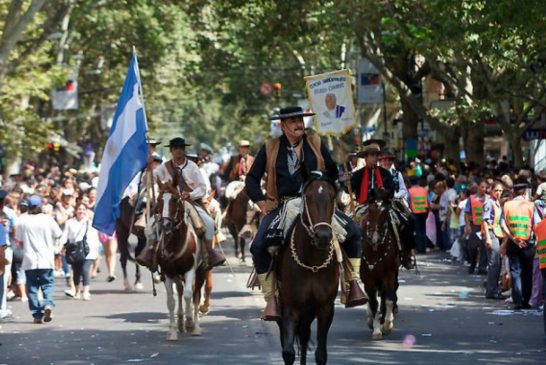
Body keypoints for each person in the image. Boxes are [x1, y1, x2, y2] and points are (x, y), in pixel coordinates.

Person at [246, 106, 367, 321]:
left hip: (317, 204)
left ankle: (353, 282)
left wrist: (338, 180)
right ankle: (271, 298)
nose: (298, 124)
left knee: (354, 232)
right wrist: (262, 202)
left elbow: (331, 172)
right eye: (293, 121)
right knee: (258, 245)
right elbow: (251, 179)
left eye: (300, 119)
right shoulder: (270, 147)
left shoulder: (317, 143)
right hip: (282, 205)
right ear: (283, 126)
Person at [139, 137, 225, 270]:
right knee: (150, 225)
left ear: (184, 150)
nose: (178, 151)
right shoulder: (164, 167)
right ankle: (151, 252)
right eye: (175, 148)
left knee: (208, 222)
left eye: (180, 148)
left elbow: (202, 188)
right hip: (169, 202)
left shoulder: (192, 167)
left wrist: (190, 194)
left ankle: (209, 253)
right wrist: (148, 168)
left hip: (188, 201)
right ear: (171, 150)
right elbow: (149, 181)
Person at [15, 195, 62, 324]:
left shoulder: (23, 221)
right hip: (46, 258)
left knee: (32, 287)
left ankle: (37, 315)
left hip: (29, 259)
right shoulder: (47, 219)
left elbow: (18, 241)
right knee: (47, 284)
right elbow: (58, 234)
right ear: (40, 206)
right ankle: (47, 303)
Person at [501, 180, 537, 310]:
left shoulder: (507, 205)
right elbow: (535, 225)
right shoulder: (531, 205)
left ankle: (517, 301)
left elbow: (502, 224)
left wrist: (512, 238)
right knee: (527, 272)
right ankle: (526, 300)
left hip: (513, 242)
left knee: (515, 272)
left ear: (514, 192)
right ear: (524, 193)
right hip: (528, 243)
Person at [378, 149, 414, 268]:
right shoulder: (376, 173)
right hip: (378, 202)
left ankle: (407, 253)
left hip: (395, 202)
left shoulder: (396, 174)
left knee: (410, 220)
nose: (387, 162)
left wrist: (396, 195)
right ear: (381, 161)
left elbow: (404, 189)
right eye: (385, 160)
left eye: (389, 160)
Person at [62, 203, 100, 300]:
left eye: (83, 209)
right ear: (75, 211)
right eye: (79, 209)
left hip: (88, 251)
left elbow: (95, 238)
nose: (81, 211)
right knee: (76, 271)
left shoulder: (90, 223)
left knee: (85, 269)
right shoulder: (70, 222)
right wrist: (61, 246)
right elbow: (65, 236)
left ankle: (86, 292)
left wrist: (96, 251)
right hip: (75, 250)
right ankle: (77, 291)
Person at [482, 181, 505, 299]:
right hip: (491, 234)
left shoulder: (497, 203)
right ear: (492, 191)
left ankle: (493, 289)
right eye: (496, 190)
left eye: (500, 191)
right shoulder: (489, 203)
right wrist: (487, 238)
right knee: (494, 263)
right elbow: (485, 221)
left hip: (497, 234)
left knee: (497, 263)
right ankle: (491, 291)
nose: (498, 193)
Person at [465, 180, 489, 274]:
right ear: (478, 187)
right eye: (482, 187)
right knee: (472, 247)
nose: (484, 189)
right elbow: (466, 213)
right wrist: (467, 226)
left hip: (485, 226)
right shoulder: (471, 199)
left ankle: (482, 268)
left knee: (484, 247)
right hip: (475, 225)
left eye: (486, 187)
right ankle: (473, 264)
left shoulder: (488, 198)